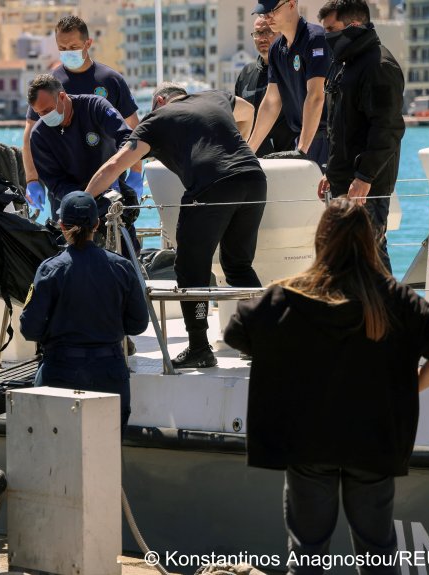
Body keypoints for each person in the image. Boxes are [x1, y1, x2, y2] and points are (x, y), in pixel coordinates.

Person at [223, 198, 429, 575]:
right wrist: (410, 387)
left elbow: (236, 331)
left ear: (321, 238)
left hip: (308, 441)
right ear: (370, 240)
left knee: (308, 553)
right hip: (373, 440)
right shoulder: (394, 299)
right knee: (377, 554)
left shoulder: (288, 297)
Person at [85, 83, 265, 369]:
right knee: (238, 265)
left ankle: (198, 348)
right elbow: (249, 110)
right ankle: (263, 342)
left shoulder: (157, 119)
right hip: (253, 178)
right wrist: (243, 146)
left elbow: (116, 165)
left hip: (211, 186)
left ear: (159, 100)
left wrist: (82, 201)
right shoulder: (215, 96)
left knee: (190, 269)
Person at [19, 191, 149, 428]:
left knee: (55, 455)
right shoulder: (122, 267)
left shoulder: (49, 270)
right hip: (109, 374)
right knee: (106, 457)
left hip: (60, 373)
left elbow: (30, 329)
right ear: (97, 224)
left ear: (61, 225)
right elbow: (138, 324)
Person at [316, 0, 405, 274]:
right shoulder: (346, 64)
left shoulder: (380, 65)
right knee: (347, 260)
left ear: (354, 26)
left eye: (332, 29)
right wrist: (332, 170)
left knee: (371, 258)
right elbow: (341, 127)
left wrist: (364, 177)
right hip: (346, 181)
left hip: (367, 187)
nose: (327, 37)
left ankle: (390, 315)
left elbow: (388, 128)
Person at [22, 15, 142, 212]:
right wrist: (32, 179)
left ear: (88, 43)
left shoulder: (111, 80)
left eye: (73, 47)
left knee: (117, 236)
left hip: (111, 181)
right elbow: (30, 134)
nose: (68, 52)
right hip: (65, 186)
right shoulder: (49, 83)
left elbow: (133, 128)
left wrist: (136, 171)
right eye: (62, 48)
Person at [26, 74, 141, 256]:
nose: (45, 116)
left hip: (112, 193)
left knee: (126, 254)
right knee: (73, 263)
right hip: (72, 204)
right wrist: (84, 199)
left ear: (62, 96)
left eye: (48, 110)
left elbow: (126, 137)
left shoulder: (95, 106)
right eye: (40, 113)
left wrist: (122, 169)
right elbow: (55, 182)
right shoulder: (39, 136)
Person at [247, 0, 331, 168]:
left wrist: (302, 151)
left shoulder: (316, 39)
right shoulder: (276, 49)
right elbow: (271, 103)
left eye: (272, 11)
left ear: (291, 4)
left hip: (328, 140)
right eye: (264, 13)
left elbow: (315, 96)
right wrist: (247, 153)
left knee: (328, 195)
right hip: (303, 139)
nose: (268, 17)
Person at [235, 16, 297, 157]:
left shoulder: (293, 69)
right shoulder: (246, 73)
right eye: (258, 33)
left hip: (289, 160)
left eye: (268, 32)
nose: (262, 38)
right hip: (255, 159)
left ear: (280, 33)